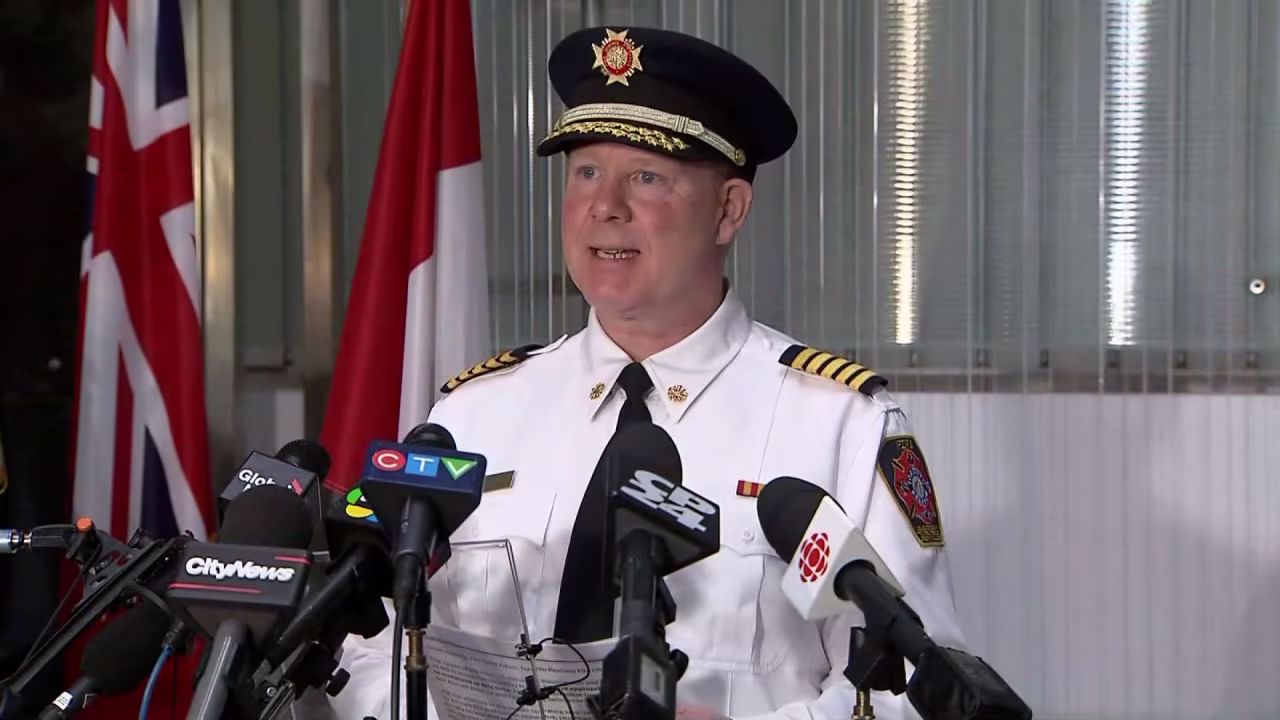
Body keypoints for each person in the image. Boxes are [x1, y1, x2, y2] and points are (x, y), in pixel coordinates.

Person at [329, 25, 966, 720]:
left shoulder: (839, 424)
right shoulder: (473, 415)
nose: (605, 206)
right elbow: (371, 647)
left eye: (646, 177)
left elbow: (915, 687)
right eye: (585, 172)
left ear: (728, 210)